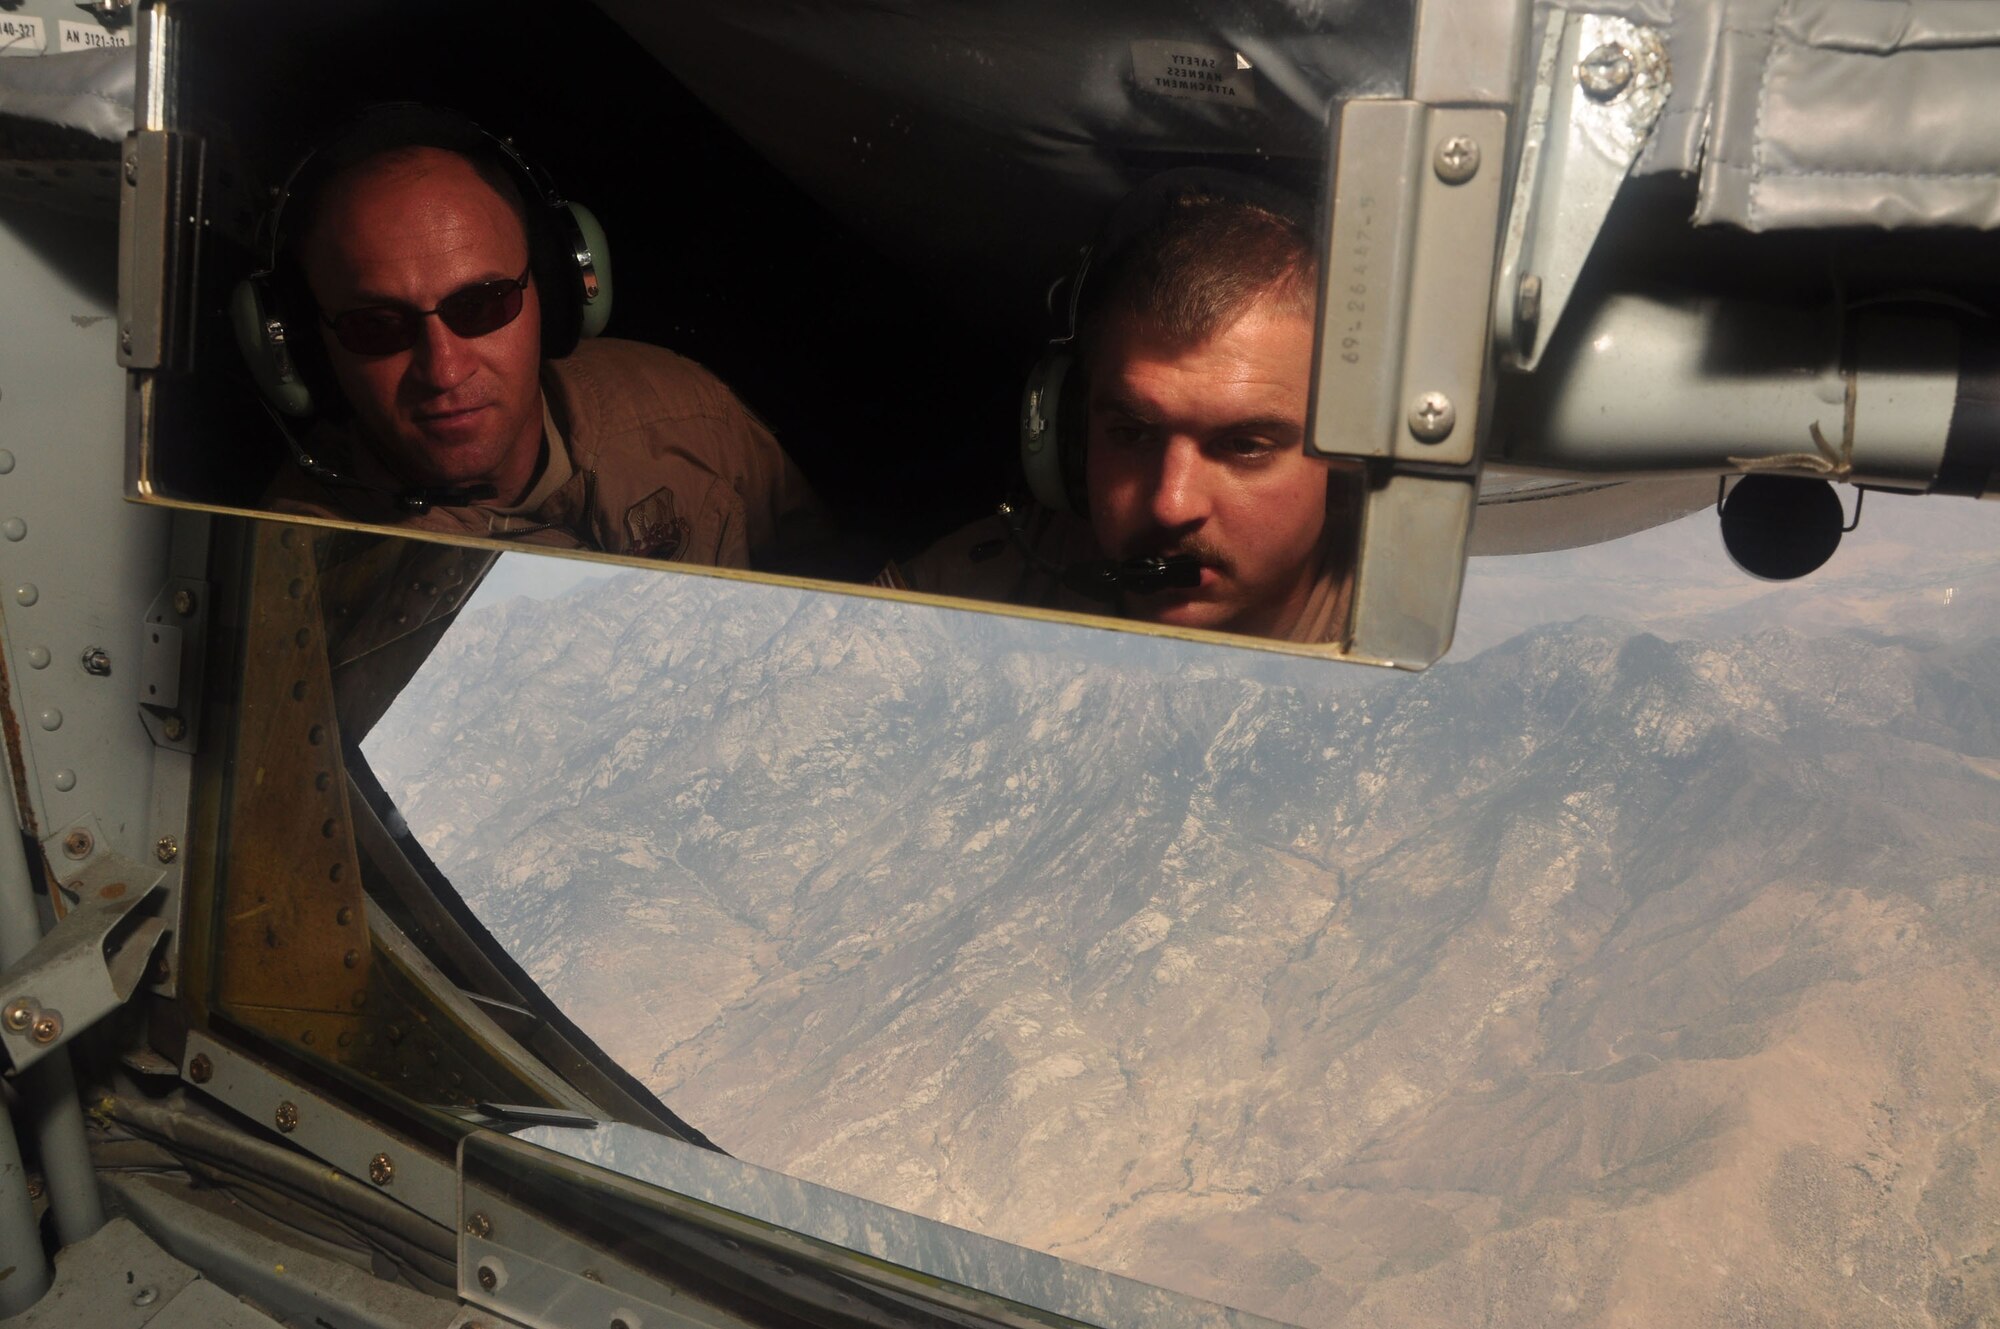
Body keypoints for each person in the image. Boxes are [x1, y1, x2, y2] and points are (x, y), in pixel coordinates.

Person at [250, 107, 832, 572]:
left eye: (480, 304)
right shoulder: (302, 568)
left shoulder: (684, 416)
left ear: (552, 293)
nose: (445, 370)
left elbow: (832, 587)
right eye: (377, 326)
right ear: (303, 349)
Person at [890, 177, 1357, 644]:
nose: (1170, 506)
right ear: (1069, 438)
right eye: (1132, 435)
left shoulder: (1415, 645)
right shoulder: (956, 597)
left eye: (1244, 446)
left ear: (1346, 466)